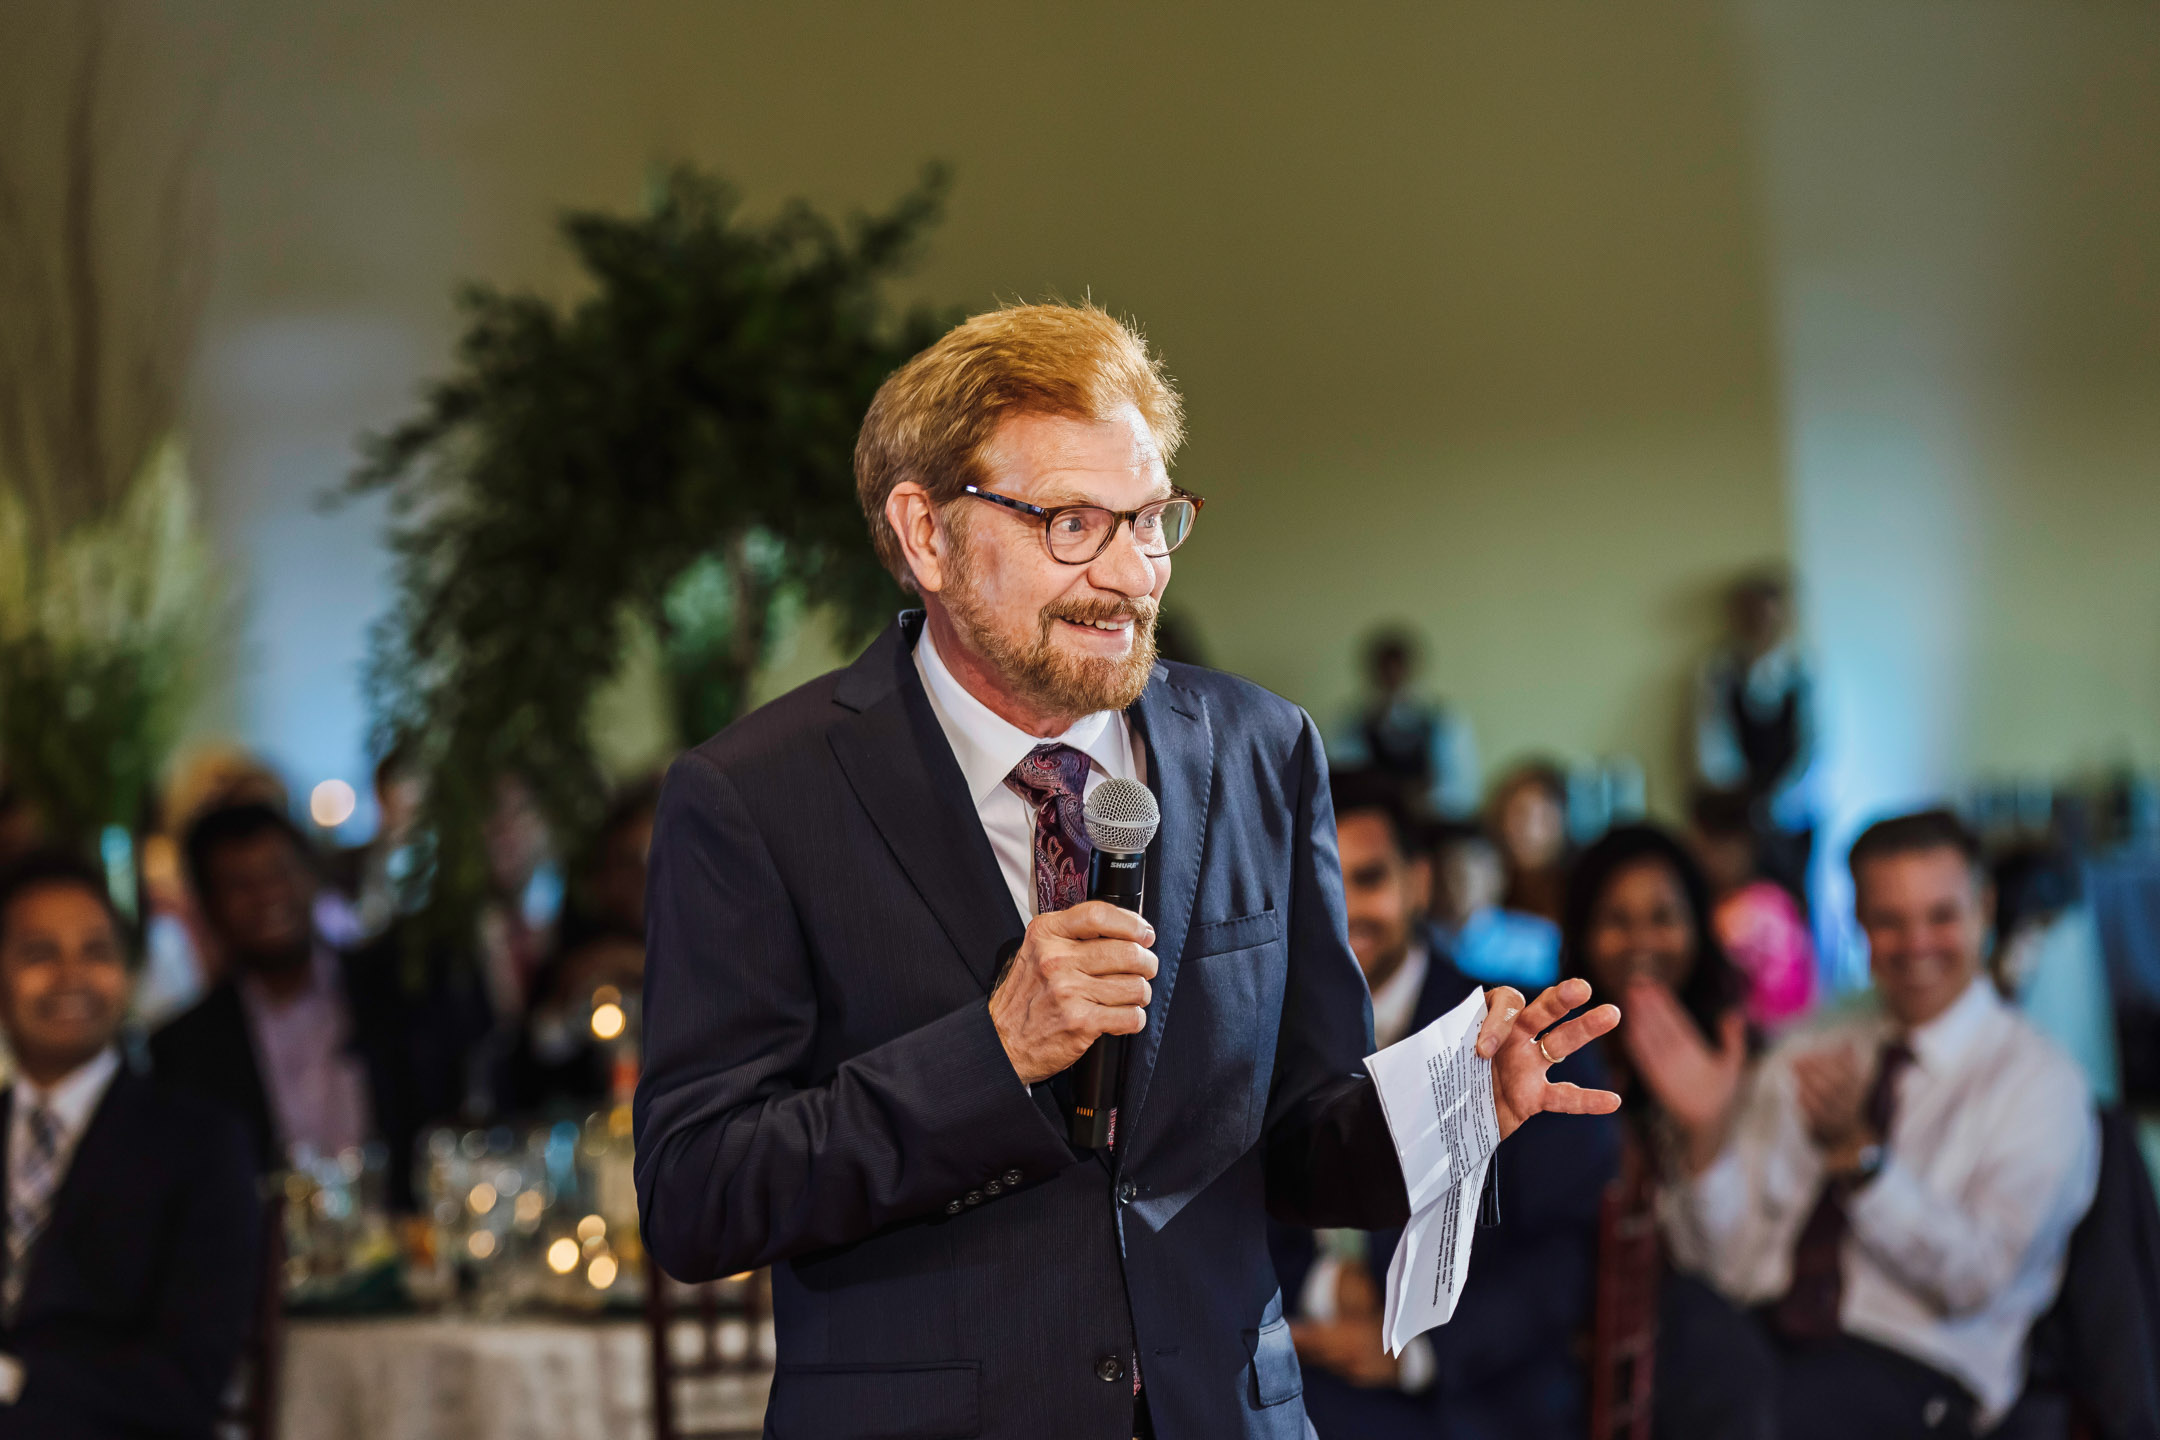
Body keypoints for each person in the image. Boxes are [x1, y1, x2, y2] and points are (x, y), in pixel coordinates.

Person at [634, 301, 1622, 1440]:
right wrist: (992, 1054)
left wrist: (1450, 1116)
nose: (1130, 575)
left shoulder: (1262, 748)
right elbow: (699, 1195)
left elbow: (1294, 1137)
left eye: (1151, 519)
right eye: (1071, 523)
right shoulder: (758, 796)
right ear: (925, 535)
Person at [1648, 810, 2099, 1438]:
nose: (1916, 945)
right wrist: (1705, 1136)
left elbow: (1978, 1280)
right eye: (1889, 920)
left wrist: (1861, 1160)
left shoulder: (2041, 1084)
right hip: (1766, 1345)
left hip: (1922, 1369)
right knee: (1680, 1319)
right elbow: (1729, 1265)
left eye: (1941, 916)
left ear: (1985, 909)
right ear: (1858, 919)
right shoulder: (1810, 1049)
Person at [1274, 772, 1618, 1440]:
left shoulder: (1516, 1031)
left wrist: (1415, 1354)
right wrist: (1324, 1287)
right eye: (1320, 883)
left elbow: (1565, 1258)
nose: (1343, 912)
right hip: (1299, 1359)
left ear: (1420, 883)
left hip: (1472, 1387)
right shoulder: (1262, 1030)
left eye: (1369, 879)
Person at [0, 852, 258, 1438]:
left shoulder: (200, 1144)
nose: (71, 976)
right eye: (39, 954)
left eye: (96, 952)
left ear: (130, 974)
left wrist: (12, 1380)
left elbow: (187, 1381)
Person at [150, 801, 489, 1209]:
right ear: (208, 906)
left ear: (310, 875)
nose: (266, 896)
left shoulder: (400, 987)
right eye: (239, 884)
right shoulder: (184, 1047)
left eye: (278, 872)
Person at [1558, 824, 1774, 1440]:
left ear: (1699, 927)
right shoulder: (1551, 1060)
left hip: (1691, 1342)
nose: (1640, 942)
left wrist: (1704, 1130)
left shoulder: (1744, 1061)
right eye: (1614, 919)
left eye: (1664, 916)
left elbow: (1737, 1273)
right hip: (1561, 1326)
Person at [510, 781, 658, 1110]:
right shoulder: (580, 943)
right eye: (627, 863)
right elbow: (535, 1054)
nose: (643, 878)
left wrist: (638, 963)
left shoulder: (704, 939)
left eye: (653, 860)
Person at [1692, 571, 1818, 903]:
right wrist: (1741, 805)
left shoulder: (1805, 670)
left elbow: (1816, 748)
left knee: (1794, 902)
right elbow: (1712, 748)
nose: (1763, 623)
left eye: (1770, 615)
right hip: (1736, 819)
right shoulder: (1719, 671)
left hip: (1795, 818)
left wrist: (1778, 805)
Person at [1690, 790, 1817, 1034]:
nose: (1701, 857)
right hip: (1799, 1030)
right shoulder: (1777, 898)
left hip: (1762, 1042)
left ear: (1742, 845)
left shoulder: (1738, 914)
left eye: (1709, 845)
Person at [1328, 626, 1480, 820]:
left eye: (1398, 672)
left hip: (1437, 825)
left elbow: (1463, 791)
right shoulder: (1350, 725)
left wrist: (1425, 800)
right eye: (1386, 673)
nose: (1393, 682)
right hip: (1376, 825)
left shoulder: (1445, 720)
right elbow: (1345, 784)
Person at [1428, 821, 1561, 993]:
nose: (1456, 885)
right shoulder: (1425, 940)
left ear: (1497, 876)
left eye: (1467, 874)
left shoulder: (1539, 941)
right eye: (1448, 873)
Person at [1488, 761, 1571, 923]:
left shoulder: (1576, 890)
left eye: (1542, 817)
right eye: (1520, 814)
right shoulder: (1484, 890)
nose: (1529, 830)